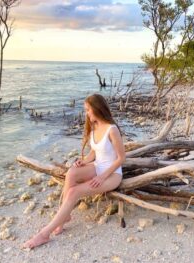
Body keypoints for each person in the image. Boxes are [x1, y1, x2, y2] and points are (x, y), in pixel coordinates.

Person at [23, 93, 126, 249]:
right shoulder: (95, 126)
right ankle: (65, 215)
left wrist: (102, 177)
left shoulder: (112, 130)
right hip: (98, 167)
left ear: (97, 109)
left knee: (73, 192)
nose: (86, 113)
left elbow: (121, 158)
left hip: (112, 174)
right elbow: (95, 152)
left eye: (88, 110)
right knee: (71, 172)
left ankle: (44, 234)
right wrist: (83, 161)